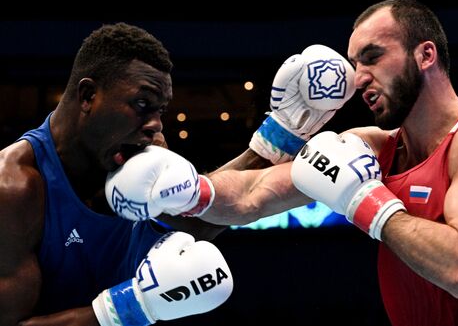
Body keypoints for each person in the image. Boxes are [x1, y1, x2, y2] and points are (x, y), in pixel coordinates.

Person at [110, 0, 458, 325]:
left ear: (425, 55)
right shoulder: (370, 146)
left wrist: (365, 200)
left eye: (372, 57)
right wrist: (186, 188)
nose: (358, 77)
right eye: (354, 63)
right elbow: (252, 197)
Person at [0, 22, 356, 325]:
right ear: (88, 95)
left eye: (160, 110)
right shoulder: (15, 189)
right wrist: (132, 307)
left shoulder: (144, 146)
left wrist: (282, 134)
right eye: (142, 104)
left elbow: (196, 218)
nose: (155, 124)